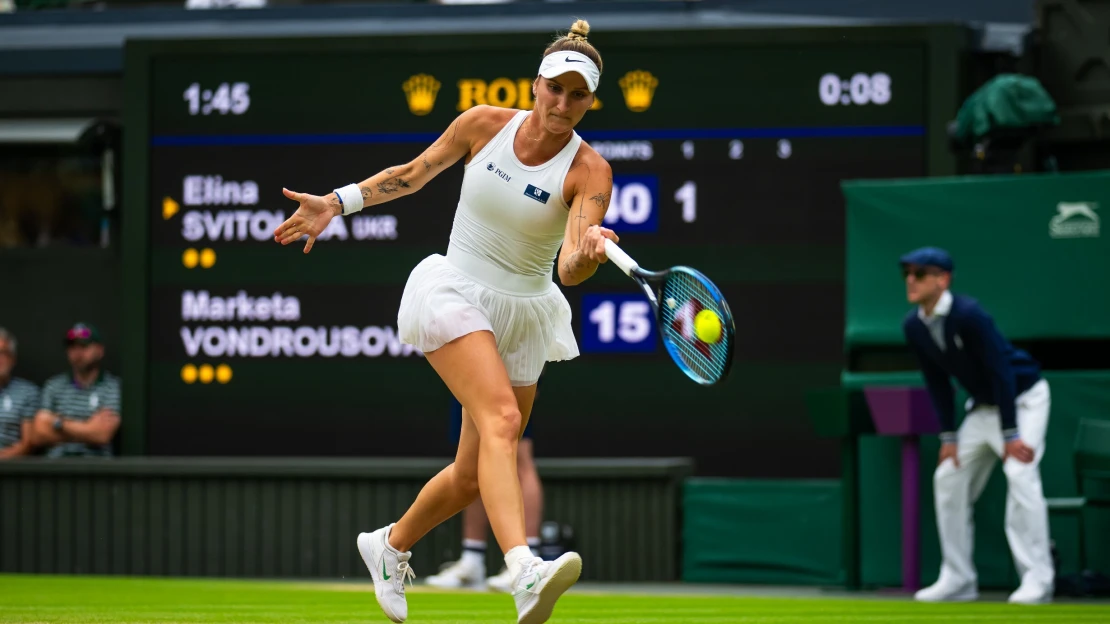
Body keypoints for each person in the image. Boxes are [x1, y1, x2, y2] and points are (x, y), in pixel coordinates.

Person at [274, 20, 616, 624]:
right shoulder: (483, 123)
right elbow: (413, 174)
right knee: (503, 420)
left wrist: (587, 253)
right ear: (536, 84)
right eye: (554, 88)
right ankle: (523, 569)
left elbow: (568, 269)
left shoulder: (592, 173)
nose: (563, 104)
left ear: (591, 101)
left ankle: (390, 545)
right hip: (454, 288)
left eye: (577, 94)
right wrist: (335, 201)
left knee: (469, 475)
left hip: (524, 311)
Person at [900, 247, 1054, 605]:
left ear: (943, 279)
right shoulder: (913, 325)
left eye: (920, 273)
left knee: (1019, 474)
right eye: (907, 273)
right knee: (947, 478)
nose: (911, 280)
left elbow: (1001, 370)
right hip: (982, 409)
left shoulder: (970, 314)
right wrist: (949, 436)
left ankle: (1038, 580)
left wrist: (1011, 433)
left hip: (1023, 400)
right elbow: (936, 380)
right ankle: (958, 578)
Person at [426, 393, 544, 593]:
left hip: (511, 367)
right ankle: (473, 558)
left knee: (518, 455)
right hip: (473, 365)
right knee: (475, 457)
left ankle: (528, 561)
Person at [31, 323, 122, 458]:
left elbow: (102, 434)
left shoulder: (112, 386)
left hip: (96, 470)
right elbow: (38, 433)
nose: (77, 352)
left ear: (100, 350)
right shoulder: (53, 386)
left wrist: (58, 423)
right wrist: (88, 429)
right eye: (72, 347)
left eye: (84, 346)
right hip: (57, 468)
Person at [0, 327, 40, 459]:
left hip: (11, 469)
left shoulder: (28, 392)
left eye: (3, 353)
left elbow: (28, 444)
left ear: (13, 359)